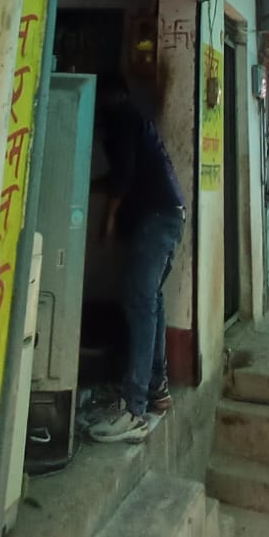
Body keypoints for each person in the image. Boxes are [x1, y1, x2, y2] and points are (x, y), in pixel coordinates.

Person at [88, 73, 185, 443]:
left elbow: (124, 176)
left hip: (156, 219)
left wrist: (108, 218)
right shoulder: (135, 120)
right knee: (150, 301)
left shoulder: (121, 117)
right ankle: (157, 389)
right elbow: (121, 176)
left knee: (140, 302)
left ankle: (134, 409)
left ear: (107, 96)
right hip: (169, 215)